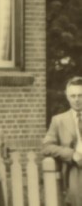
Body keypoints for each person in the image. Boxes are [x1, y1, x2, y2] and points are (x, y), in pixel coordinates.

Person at [42, 76, 82, 206]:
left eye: (80, 95)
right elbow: (47, 146)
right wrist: (72, 155)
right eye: (73, 96)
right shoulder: (58, 120)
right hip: (75, 169)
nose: (77, 99)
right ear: (67, 97)